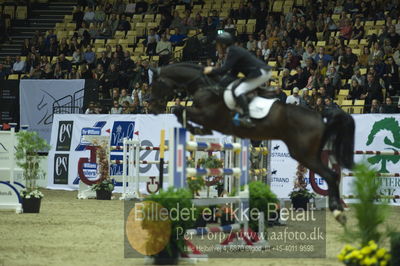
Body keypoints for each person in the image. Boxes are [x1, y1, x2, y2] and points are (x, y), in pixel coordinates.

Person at [203, 32, 271, 127]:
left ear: (223, 45)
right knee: (237, 86)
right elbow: (232, 74)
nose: (217, 48)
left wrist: (211, 70)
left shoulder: (232, 51)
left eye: (218, 45)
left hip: (261, 72)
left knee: (239, 90)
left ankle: (246, 117)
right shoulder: (233, 51)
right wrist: (218, 86)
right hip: (258, 72)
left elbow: (224, 70)